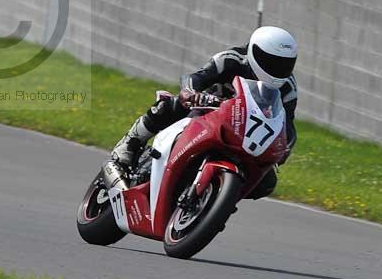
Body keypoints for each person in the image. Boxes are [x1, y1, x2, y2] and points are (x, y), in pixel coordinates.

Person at [108, 26, 298, 200]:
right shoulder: (232, 59)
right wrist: (191, 93)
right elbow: (196, 78)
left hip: (243, 132)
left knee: (266, 182)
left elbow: (287, 127)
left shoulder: (288, 88)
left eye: (284, 64)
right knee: (171, 104)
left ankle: (219, 198)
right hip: (206, 111)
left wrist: (282, 150)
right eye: (271, 61)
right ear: (254, 51)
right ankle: (130, 143)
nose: (277, 69)